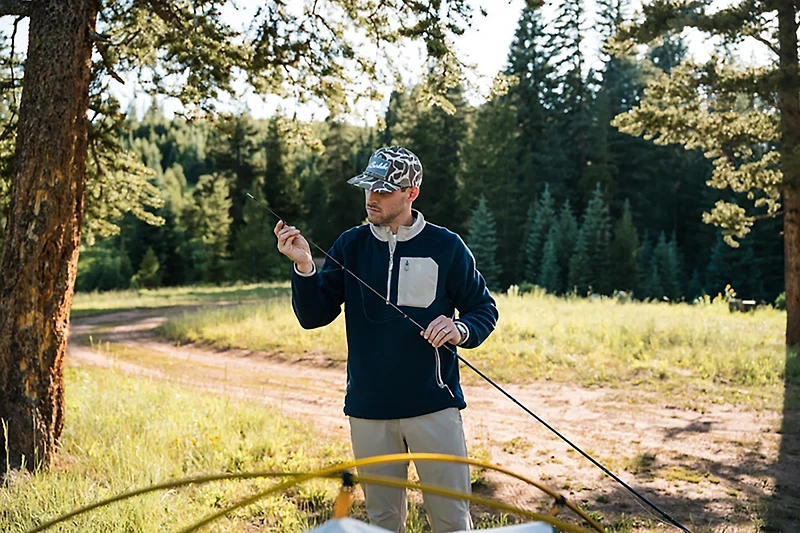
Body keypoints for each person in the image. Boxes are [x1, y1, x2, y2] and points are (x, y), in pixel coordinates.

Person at [273, 146, 498, 533]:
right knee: (382, 522)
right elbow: (314, 316)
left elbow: (483, 310)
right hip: (369, 409)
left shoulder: (446, 246)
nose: (371, 197)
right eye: (367, 187)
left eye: (383, 190)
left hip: (434, 405)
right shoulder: (350, 244)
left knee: (451, 520)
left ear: (411, 193)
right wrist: (305, 266)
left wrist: (460, 329)